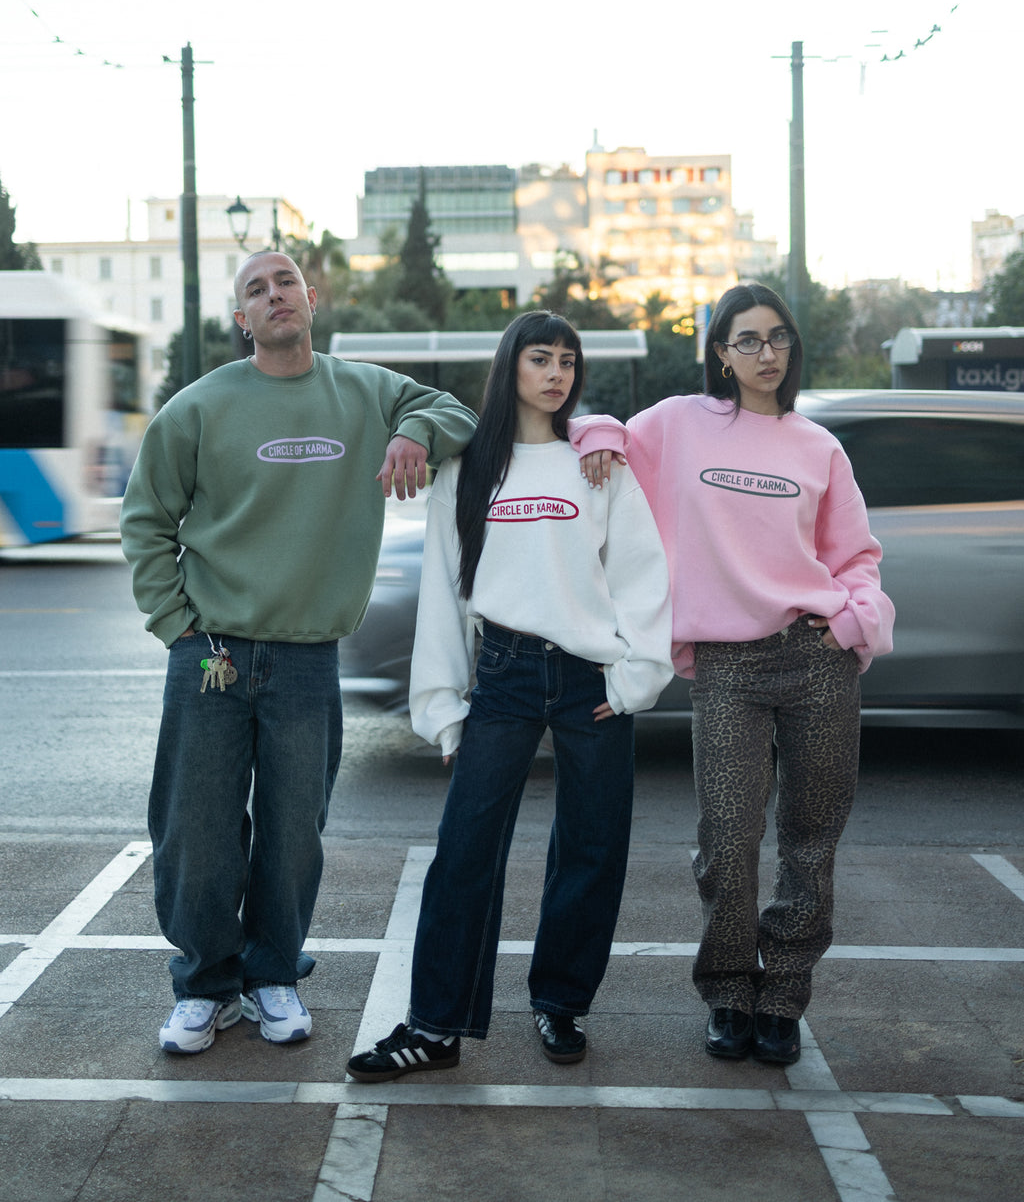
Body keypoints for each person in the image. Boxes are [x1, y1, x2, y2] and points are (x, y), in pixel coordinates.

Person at [120, 251, 477, 1054]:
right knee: (195, 830)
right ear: (241, 318)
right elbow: (145, 519)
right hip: (209, 652)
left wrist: (412, 431)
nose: (274, 294)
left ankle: (273, 975)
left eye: (285, 282)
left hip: (310, 657)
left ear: (311, 299)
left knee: (293, 833)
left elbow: (455, 412)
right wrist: (177, 624)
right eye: (256, 289)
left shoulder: (367, 391)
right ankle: (205, 986)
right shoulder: (199, 407)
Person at [346, 311, 673, 1081]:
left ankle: (561, 1001)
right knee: (464, 849)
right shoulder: (469, 469)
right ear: (511, 367)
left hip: (590, 678)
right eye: (540, 358)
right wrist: (440, 707)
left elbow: (640, 572)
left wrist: (635, 678)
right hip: (503, 674)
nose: (556, 373)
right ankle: (435, 1026)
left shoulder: (597, 461)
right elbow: (442, 585)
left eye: (567, 361)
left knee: (592, 847)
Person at [572, 282, 894, 1066]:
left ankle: (781, 995)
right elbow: (595, 428)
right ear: (720, 352)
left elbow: (856, 557)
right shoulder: (680, 422)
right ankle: (727, 988)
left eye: (777, 336)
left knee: (810, 840)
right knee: (726, 838)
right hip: (725, 665)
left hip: (816, 658)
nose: (765, 352)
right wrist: (597, 437)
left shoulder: (818, 446)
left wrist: (851, 621)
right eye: (746, 339)